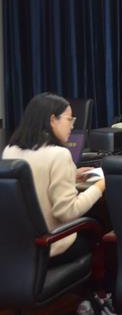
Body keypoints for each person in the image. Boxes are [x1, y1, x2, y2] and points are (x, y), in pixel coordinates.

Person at [1, 93, 105, 262]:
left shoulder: (10, 150)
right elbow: (68, 212)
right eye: (69, 119)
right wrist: (99, 186)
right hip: (51, 245)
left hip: (18, 248)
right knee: (100, 229)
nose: (72, 126)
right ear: (52, 120)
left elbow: (34, 181)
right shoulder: (59, 154)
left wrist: (71, 175)